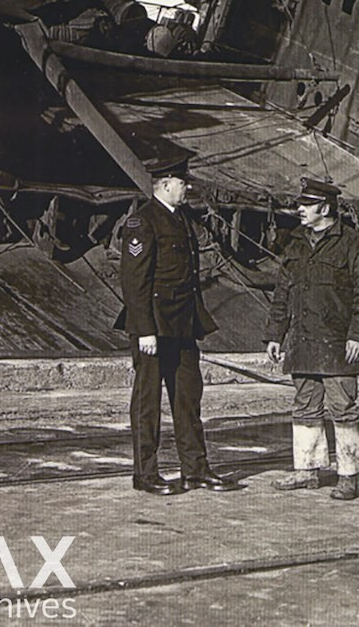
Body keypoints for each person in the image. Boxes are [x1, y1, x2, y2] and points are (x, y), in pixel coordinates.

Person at [116, 157, 237, 495]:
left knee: (187, 399)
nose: (188, 188)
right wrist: (144, 330)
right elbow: (134, 281)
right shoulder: (143, 222)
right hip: (153, 328)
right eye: (183, 183)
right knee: (148, 402)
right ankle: (146, 474)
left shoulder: (181, 220)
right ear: (166, 184)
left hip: (182, 325)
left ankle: (195, 469)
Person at [264, 178, 359, 500]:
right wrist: (275, 334)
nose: (299, 209)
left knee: (342, 408)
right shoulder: (297, 243)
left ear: (324, 208)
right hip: (302, 341)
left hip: (337, 342)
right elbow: (283, 293)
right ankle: (307, 471)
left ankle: (350, 475)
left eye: (306, 204)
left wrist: (358, 336)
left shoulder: (353, 244)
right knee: (304, 407)